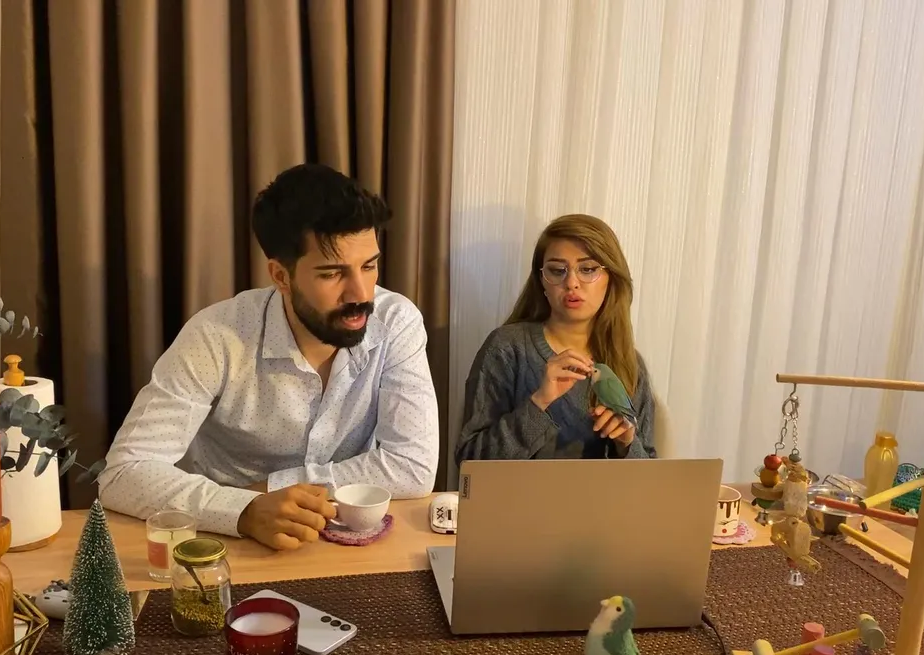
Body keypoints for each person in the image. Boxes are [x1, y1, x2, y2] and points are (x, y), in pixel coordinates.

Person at [97, 163, 439, 551]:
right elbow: (123, 474)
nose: (361, 293)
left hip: (343, 540)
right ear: (280, 276)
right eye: (332, 274)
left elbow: (413, 466)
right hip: (225, 542)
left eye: (369, 265)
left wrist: (267, 491)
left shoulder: (396, 322)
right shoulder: (215, 336)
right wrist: (243, 511)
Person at [455, 213, 656, 462]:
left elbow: (651, 475)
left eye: (587, 269)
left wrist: (626, 444)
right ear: (542, 281)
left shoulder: (629, 364)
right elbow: (470, 462)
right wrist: (539, 402)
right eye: (558, 270)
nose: (571, 283)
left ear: (611, 278)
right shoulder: (506, 348)